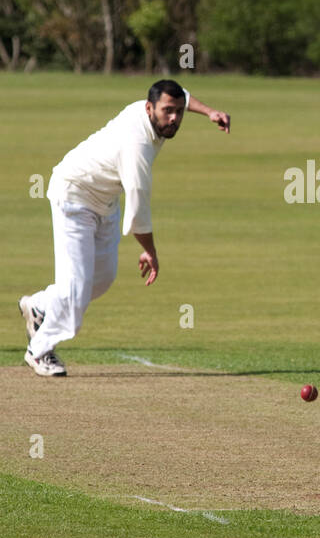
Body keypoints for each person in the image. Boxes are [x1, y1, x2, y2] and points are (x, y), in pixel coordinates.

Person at [19, 79, 230, 376]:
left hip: (103, 201)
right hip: (74, 196)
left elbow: (182, 94)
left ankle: (40, 305)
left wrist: (208, 112)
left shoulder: (153, 111)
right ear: (149, 108)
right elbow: (139, 209)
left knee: (102, 278)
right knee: (76, 292)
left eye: (179, 112)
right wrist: (150, 252)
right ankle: (39, 350)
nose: (174, 118)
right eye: (167, 111)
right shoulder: (138, 145)